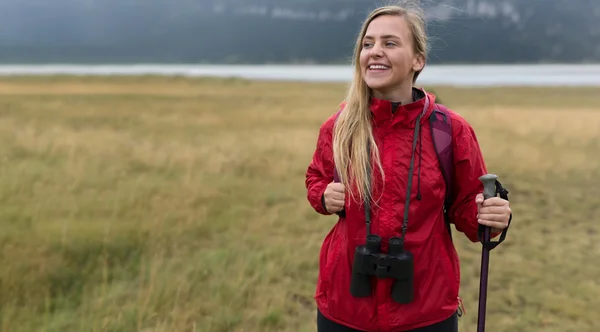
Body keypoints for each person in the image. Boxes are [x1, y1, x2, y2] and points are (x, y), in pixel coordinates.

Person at [304, 3, 512, 332]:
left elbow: (468, 210)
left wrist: (492, 217)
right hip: (345, 306)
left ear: (418, 60)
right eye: (367, 43)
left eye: (390, 43)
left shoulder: (449, 130)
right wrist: (322, 196)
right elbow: (316, 177)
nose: (375, 52)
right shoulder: (340, 127)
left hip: (425, 310)